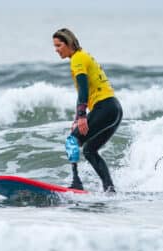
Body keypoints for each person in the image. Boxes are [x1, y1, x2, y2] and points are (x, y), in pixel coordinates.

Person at [53, 28, 123, 193]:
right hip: (114, 109)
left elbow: (83, 89)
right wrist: (78, 117)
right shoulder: (83, 55)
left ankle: (76, 183)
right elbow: (83, 94)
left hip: (104, 107)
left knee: (72, 140)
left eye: (59, 45)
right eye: (54, 46)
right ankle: (109, 189)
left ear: (69, 43)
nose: (56, 50)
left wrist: (83, 116)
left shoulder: (77, 59)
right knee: (90, 150)